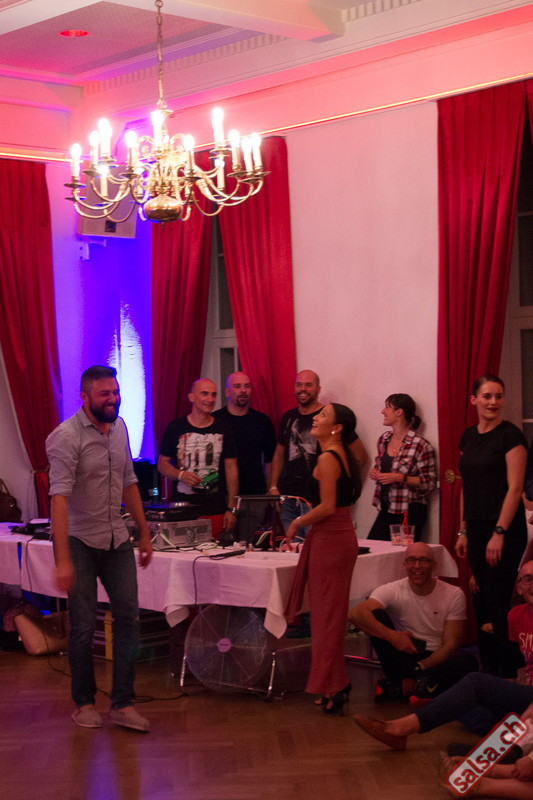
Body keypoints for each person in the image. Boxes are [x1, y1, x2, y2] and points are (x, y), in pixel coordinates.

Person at [46, 365, 153, 731]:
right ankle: (84, 702)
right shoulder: (65, 437)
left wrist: (144, 532)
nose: (113, 399)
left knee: (129, 618)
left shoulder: (120, 428)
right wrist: (62, 560)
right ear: (85, 397)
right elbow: (58, 500)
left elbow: (129, 482)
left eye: (115, 392)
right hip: (78, 540)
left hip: (116, 537)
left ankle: (123, 703)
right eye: (105, 394)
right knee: (82, 624)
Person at [353, 561, 533, 754]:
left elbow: (452, 645)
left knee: (475, 684)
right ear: (519, 588)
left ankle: (400, 729)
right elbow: (512, 666)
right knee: (464, 708)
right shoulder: (516, 616)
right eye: (528, 579)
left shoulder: (452, 594)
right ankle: (515, 732)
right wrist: (504, 697)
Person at [284, 403, 361, 714]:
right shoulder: (338, 455)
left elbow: (328, 507)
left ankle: (334, 685)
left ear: (337, 428)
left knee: (326, 618)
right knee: (328, 617)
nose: (315, 418)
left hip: (331, 539)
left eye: (323, 415)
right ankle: (336, 682)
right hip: (334, 538)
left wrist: (297, 522)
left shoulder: (329, 458)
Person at [456, 374, 527, 678]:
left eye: (499, 396)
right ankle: (488, 668)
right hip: (476, 526)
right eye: (487, 396)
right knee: (482, 597)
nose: (493, 402)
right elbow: (466, 486)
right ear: (474, 399)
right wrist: (463, 530)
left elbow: (515, 488)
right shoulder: (468, 437)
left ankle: (509, 671)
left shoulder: (510, 435)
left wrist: (499, 533)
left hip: (504, 528)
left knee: (498, 599)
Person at [349, 541, 477, 703]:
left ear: (434, 565)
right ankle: (425, 687)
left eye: (424, 560)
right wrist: (393, 637)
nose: (417, 566)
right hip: (403, 654)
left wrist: (420, 668)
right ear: (405, 564)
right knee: (375, 614)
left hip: (434, 658)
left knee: (469, 663)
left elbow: (451, 645)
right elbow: (355, 614)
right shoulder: (393, 589)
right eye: (412, 560)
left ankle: (402, 686)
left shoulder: (453, 594)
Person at [269, 370, 367, 542]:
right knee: (295, 550)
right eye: (299, 384)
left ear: (318, 389)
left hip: (315, 501)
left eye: (308, 385)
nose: (303, 389)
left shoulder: (332, 420)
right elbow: (279, 454)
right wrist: (273, 486)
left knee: (314, 543)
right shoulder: (288, 417)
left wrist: (339, 485)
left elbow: (360, 456)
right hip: (289, 497)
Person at [158, 378, 238, 539]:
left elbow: (232, 470)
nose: (210, 399)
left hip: (215, 509)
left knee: (214, 553)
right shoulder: (176, 427)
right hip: (182, 509)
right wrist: (181, 475)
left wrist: (231, 509)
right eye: (205, 394)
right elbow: (162, 464)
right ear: (192, 397)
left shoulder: (224, 428)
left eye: (213, 395)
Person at [213, 372, 276, 543]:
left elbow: (270, 460)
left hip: (254, 496)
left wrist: (270, 490)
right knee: (221, 546)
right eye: (237, 386)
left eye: (247, 386)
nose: (243, 390)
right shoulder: (216, 421)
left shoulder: (262, 421)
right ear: (227, 392)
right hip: (222, 496)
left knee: (250, 548)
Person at [368, 393, 436, 541]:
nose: (383, 411)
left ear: (399, 412)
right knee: (374, 546)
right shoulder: (384, 439)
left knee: (402, 552)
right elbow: (381, 466)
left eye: (387, 407)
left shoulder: (420, 445)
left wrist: (400, 478)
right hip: (386, 507)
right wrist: (375, 472)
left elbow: (429, 483)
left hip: (409, 510)